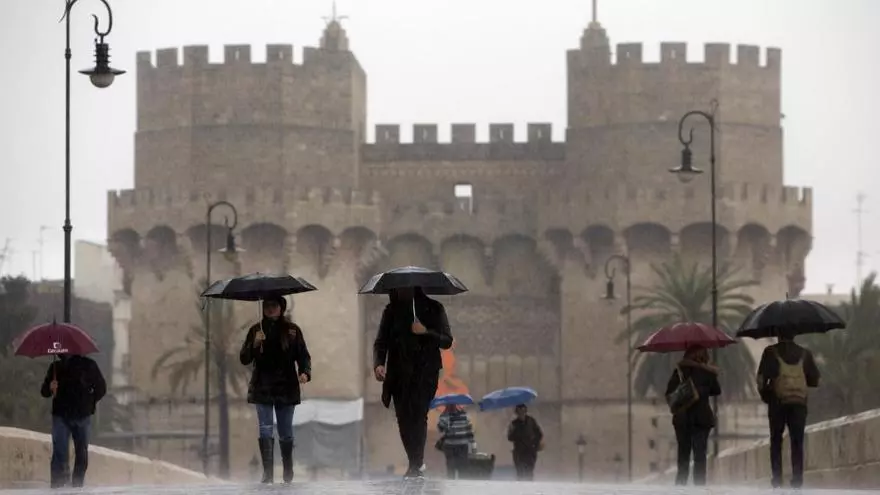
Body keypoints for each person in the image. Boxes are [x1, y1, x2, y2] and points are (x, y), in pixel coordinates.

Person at [373, 286, 454, 479]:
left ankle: (416, 462)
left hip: (424, 373)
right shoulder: (391, 311)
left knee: (418, 416)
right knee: (403, 418)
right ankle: (414, 460)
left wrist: (425, 332)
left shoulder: (434, 308)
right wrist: (379, 364)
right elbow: (381, 341)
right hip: (398, 373)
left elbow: (446, 340)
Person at [240, 296, 312, 484]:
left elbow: (303, 355)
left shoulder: (292, 331)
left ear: (281, 308)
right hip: (262, 386)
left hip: (286, 387)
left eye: (274, 305)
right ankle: (268, 473)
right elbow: (244, 358)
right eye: (267, 306)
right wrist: (254, 344)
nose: (270, 309)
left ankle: (288, 469)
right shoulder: (256, 330)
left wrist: (305, 372)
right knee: (265, 428)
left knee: (285, 431)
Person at [756, 327, 820, 489]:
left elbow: (761, 380)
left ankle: (777, 479)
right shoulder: (805, 354)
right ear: (794, 334)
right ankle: (797, 479)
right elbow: (814, 380)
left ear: (778, 335)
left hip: (777, 403)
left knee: (776, 440)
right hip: (799, 403)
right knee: (797, 441)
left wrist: (767, 396)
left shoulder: (770, 352)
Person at [39, 353, 107, 488]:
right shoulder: (56, 367)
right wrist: (50, 387)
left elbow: (101, 388)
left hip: (82, 416)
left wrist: (89, 403)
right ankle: (58, 485)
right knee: (60, 452)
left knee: (81, 453)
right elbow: (44, 392)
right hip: (61, 416)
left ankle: (77, 485)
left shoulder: (89, 365)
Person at [665, 346, 721, 486]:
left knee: (683, 456)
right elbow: (716, 390)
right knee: (700, 456)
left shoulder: (679, 371)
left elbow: (669, 394)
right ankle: (699, 487)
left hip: (682, 418)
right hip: (701, 419)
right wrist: (710, 373)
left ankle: (681, 486)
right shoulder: (707, 372)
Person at [437, 404, 476, 479]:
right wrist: (473, 445)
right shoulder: (464, 415)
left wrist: (444, 421)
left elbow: (441, 429)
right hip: (458, 445)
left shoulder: (446, 416)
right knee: (458, 468)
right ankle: (458, 483)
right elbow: (469, 431)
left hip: (454, 445)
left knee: (455, 468)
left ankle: (455, 483)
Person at [506, 404, 543, 481]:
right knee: (520, 472)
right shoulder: (514, 424)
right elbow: (510, 437)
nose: (521, 413)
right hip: (519, 451)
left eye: (523, 411)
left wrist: (535, 443)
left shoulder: (531, 421)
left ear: (525, 411)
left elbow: (539, 434)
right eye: (519, 411)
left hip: (530, 451)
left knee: (529, 471)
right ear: (517, 412)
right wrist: (514, 432)